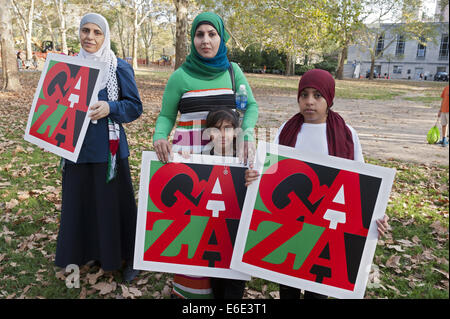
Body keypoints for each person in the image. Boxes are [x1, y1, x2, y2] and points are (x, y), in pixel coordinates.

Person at [245, 69, 390, 299]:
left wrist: (377, 217)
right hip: (290, 226)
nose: (309, 102)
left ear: (329, 98)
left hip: (326, 231)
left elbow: (360, 184)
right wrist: (254, 178)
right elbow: (269, 172)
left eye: (317, 95)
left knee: (317, 291)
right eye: (304, 95)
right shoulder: (286, 130)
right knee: (288, 288)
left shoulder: (346, 134)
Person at [152, 12, 258, 299]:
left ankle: (228, 293)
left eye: (212, 34)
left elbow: (251, 108)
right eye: (200, 34)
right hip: (191, 164)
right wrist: (159, 136)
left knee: (225, 229)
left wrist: (246, 135)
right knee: (194, 232)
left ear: (221, 38)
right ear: (192, 39)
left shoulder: (233, 72)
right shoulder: (180, 76)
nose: (206, 40)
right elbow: (165, 116)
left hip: (227, 164)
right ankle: (193, 297)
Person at [54, 13, 143, 283]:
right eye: (85, 30)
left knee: (113, 206)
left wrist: (110, 107)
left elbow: (134, 107)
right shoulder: (67, 67)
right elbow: (55, 106)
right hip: (76, 150)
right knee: (82, 204)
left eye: (96, 32)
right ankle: (90, 251)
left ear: (105, 37)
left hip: (109, 152)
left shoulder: (119, 68)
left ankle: (128, 257)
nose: (89, 37)